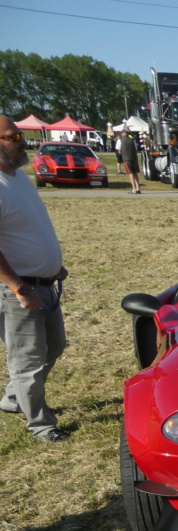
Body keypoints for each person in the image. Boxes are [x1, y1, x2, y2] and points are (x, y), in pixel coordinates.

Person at [0, 115, 69, 442]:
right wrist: (19, 287)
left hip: (44, 283)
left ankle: (14, 398)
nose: (22, 140)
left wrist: (52, 265)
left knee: (54, 346)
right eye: (13, 137)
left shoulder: (18, 179)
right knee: (27, 360)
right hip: (21, 291)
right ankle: (42, 426)